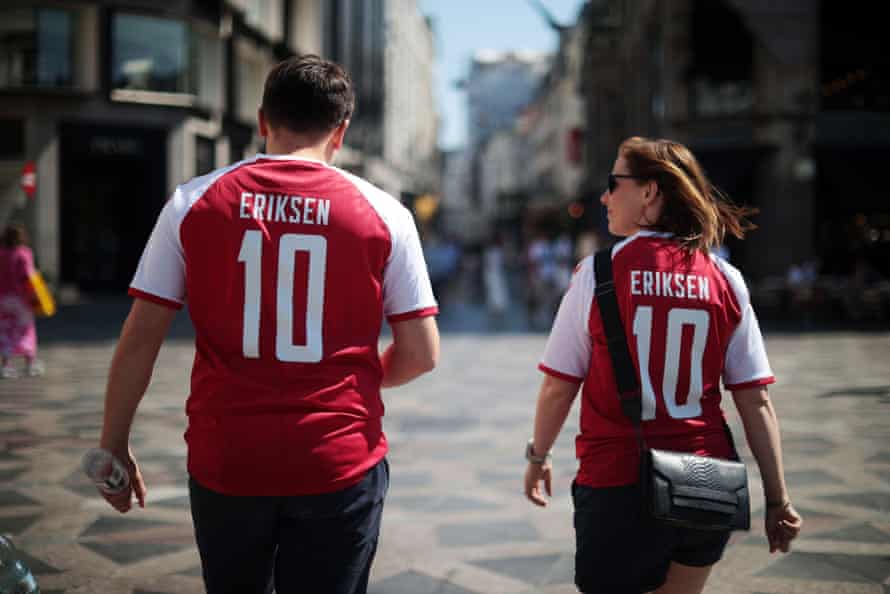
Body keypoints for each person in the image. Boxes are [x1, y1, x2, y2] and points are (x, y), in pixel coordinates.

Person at [93, 54, 440, 594]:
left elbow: (141, 338)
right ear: (341, 130)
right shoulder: (384, 214)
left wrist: (113, 443)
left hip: (227, 460)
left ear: (262, 120)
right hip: (338, 459)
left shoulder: (192, 202)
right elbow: (421, 353)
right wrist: (359, 378)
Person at [523, 137, 802, 594]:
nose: (604, 197)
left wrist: (538, 456)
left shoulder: (598, 273)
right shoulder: (725, 278)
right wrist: (777, 499)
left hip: (618, 481)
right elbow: (755, 399)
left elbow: (559, 386)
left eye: (614, 183)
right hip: (705, 480)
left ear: (649, 192)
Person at [0, 224, 44, 378]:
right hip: (21, 299)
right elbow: (28, 276)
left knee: (5, 330)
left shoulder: (1, 253)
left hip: (3, 299)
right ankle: (30, 364)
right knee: (26, 330)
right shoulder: (24, 253)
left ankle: (5, 365)